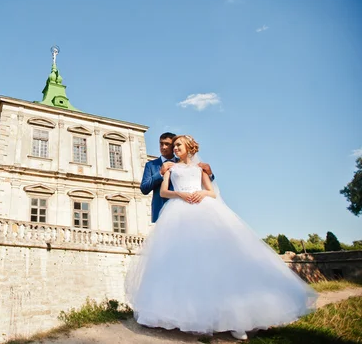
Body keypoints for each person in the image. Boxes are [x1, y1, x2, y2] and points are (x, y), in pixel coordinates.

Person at [126, 135, 317, 340]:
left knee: (218, 260)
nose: (172, 149)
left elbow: (212, 191)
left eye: (176, 145)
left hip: (203, 211)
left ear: (189, 147)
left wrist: (201, 193)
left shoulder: (201, 167)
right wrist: (178, 191)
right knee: (181, 263)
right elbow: (159, 190)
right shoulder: (165, 167)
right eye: (169, 146)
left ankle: (235, 318)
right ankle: (186, 314)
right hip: (176, 214)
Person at [140, 132, 214, 223]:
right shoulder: (151, 165)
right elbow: (144, 188)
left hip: (193, 205)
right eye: (161, 143)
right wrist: (160, 173)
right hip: (163, 210)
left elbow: (200, 181)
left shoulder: (187, 163)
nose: (163, 147)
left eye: (167, 144)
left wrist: (209, 173)